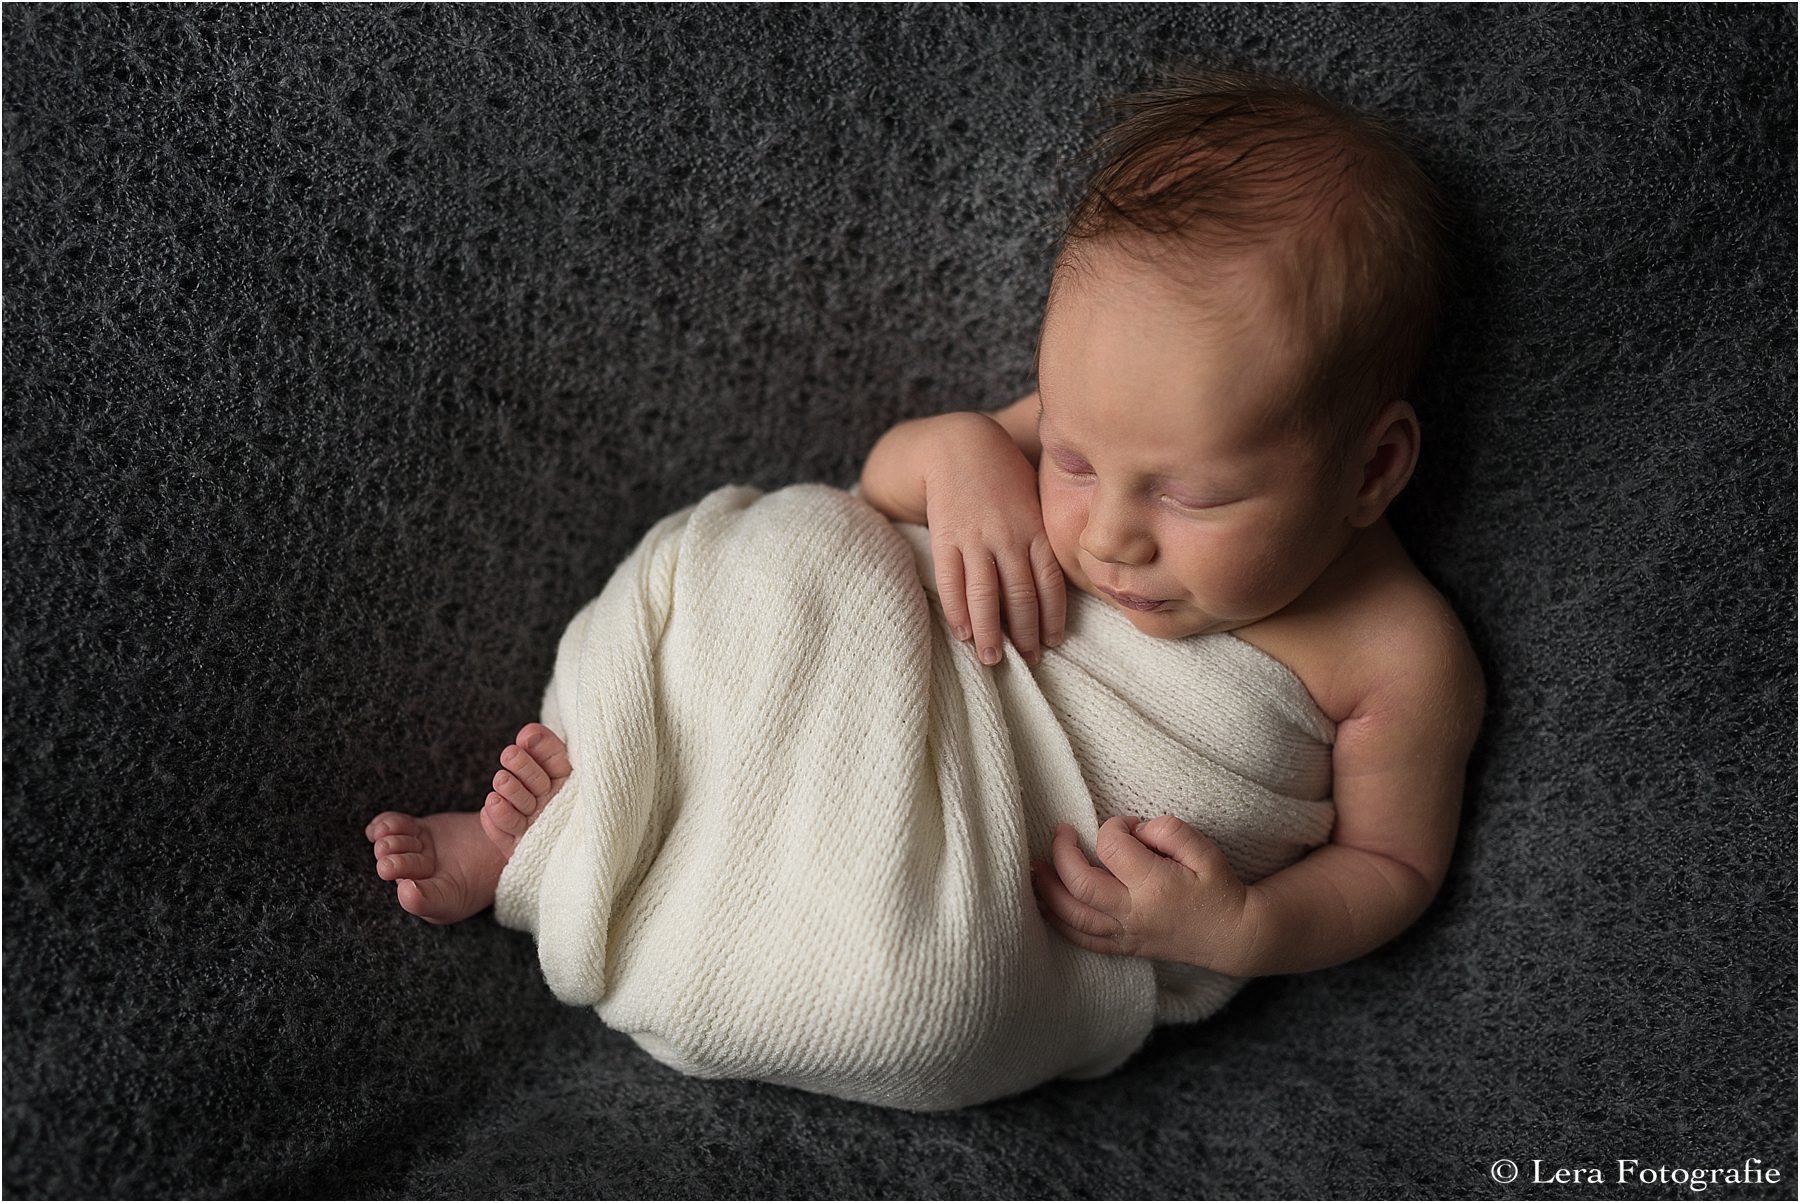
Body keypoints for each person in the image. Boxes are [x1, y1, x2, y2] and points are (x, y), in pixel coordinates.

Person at [366, 62, 1484, 1031]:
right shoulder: (1087, 424)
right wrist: (962, 456)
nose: (1105, 534)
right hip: (876, 676)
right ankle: (576, 815)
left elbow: (1392, 869)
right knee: (790, 556)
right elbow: (881, 486)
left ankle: (617, 878)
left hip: (972, 867)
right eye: (1073, 459)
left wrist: (1242, 926)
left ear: (1371, 470)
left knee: (935, 987)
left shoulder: (1400, 659)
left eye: (1191, 495)